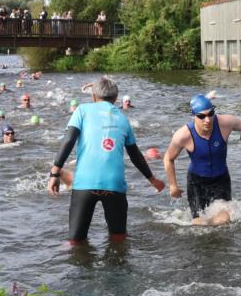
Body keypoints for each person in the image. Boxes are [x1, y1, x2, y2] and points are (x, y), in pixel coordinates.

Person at [48, 76, 165, 245]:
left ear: (93, 97)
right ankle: (118, 267)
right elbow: (135, 155)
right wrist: (152, 180)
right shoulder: (123, 119)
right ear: (116, 99)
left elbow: (68, 141)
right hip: (114, 185)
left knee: (75, 241)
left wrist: (54, 173)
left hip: (85, 183)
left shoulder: (82, 110)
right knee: (118, 239)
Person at [164, 94, 241, 226]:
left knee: (224, 220)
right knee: (199, 225)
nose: (207, 120)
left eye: (211, 114)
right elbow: (168, 158)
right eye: (202, 116)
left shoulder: (225, 123)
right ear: (193, 116)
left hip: (221, 180)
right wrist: (173, 185)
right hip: (197, 184)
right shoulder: (183, 135)